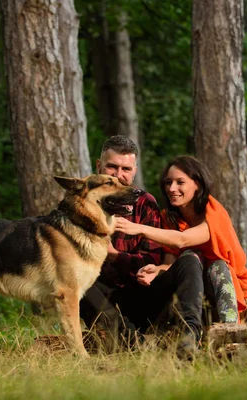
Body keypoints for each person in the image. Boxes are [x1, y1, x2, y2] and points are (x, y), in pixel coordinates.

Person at [114, 155, 247, 355]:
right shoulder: (168, 217)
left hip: (223, 287)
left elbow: (183, 240)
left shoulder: (214, 212)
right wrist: (156, 271)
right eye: (168, 182)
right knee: (189, 258)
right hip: (191, 293)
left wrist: (137, 228)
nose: (172, 188)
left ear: (197, 184)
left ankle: (231, 335)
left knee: (213, 263)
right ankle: (188, 337)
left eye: (180, 182)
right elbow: (171, 263)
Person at [78, 135, 162, 350]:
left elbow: (152, 259)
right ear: (99, 166)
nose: (119, 175)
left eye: (126, 169)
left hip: (135, 291)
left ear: (134, 170)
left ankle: (128, 337)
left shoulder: (145, 202)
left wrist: (114, 254)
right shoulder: (81, 202)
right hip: (97, 293)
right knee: (80, 280)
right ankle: (129, 340)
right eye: (112, 167)